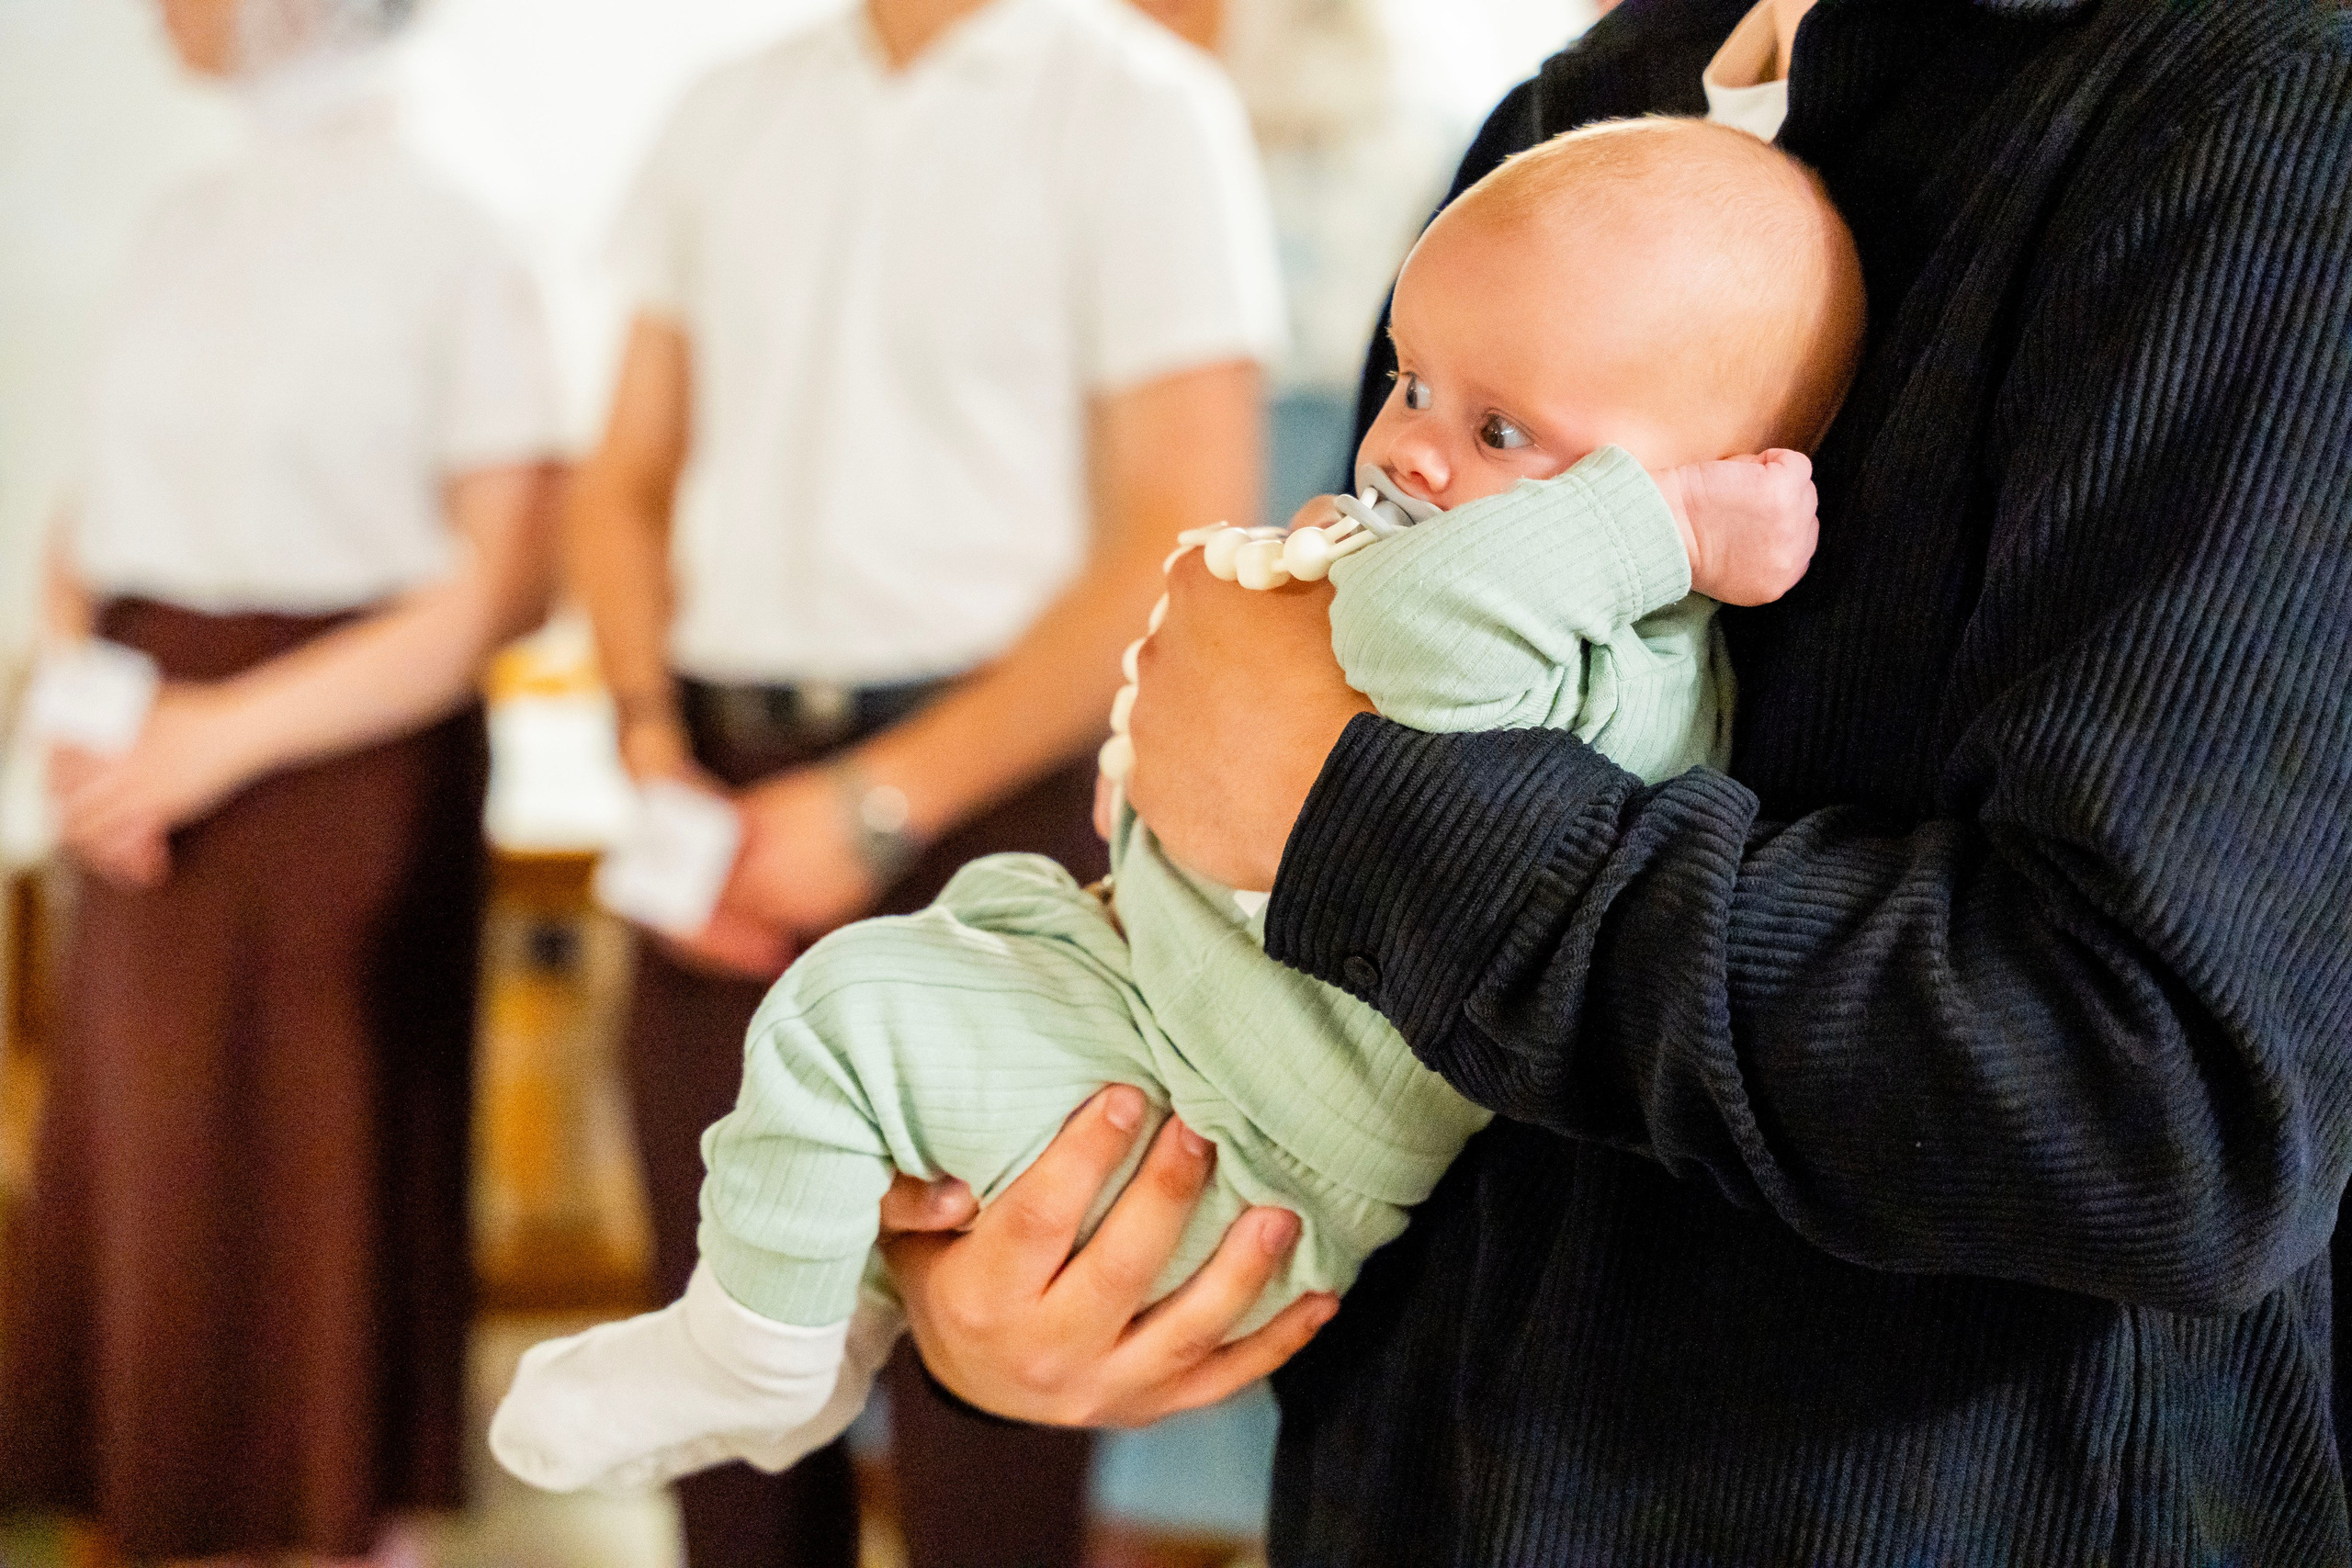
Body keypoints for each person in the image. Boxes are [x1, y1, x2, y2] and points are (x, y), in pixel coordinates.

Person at [857, 0, 2352, 1562]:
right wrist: (1031, 1268)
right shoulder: (1586, 102)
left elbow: (2157, 1101)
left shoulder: (2259, 121)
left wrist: (1357, 824)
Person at [489, 114, 1861, 1498]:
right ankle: (826, 1319)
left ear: (1699, 486)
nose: (1415, 449)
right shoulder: (1491, 573)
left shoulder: (1622, 659)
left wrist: (1654, 533)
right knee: (947, 959)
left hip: (1232, 1134)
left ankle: (752, 1355)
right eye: (1412, 380)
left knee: (842, 1017)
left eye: (1503, 429)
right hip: (1165, 1008)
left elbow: (1412, 643)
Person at [562, 0, 1282, 1561]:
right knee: (732, 1402)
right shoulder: (725, 108)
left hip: (1004, 811)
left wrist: (873, 808)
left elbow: (1182, 531)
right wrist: (651, 756)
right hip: (722, 782)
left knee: (995, 1414)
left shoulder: (1138, 106)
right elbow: (618, 481)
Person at [0, 0, 562, 1559]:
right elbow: (90, 515)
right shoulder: (180, 215)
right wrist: (89, 710)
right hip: (141, 760)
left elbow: (497, 585)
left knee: (320, 1207)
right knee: (144, 1188)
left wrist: (215, 738)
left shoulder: (464, 217)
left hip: (343, 772)